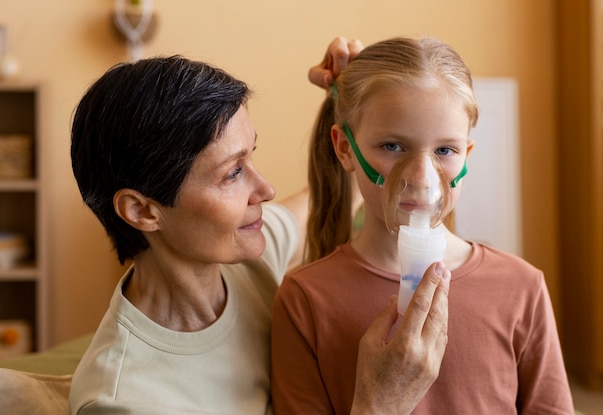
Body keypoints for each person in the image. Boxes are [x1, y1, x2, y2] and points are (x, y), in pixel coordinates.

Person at [67, 38, 451, 415]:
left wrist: (344, 100)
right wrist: (381, 404)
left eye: (252, 155)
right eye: (233, 173)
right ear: (142, 211)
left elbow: (332, 194)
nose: (265, 190)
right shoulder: (120, 399)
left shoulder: (249, 259)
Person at [271, 36, 575, 414]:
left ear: (467, 154)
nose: (420, 176)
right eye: (393, 146)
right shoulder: (305, 301)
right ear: (345, 148)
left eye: (444, 150)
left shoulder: (520, 287)